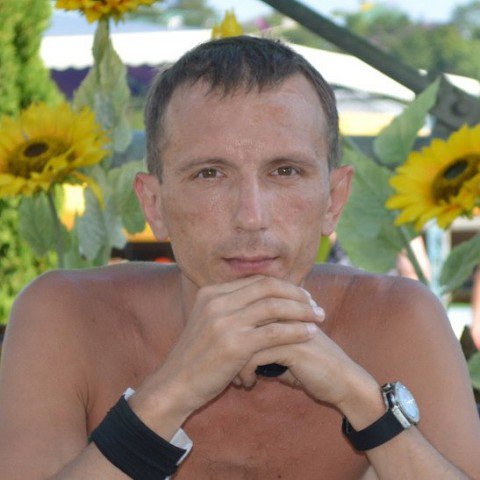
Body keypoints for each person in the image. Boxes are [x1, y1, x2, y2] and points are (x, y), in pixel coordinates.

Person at [0, 36, 479, 480]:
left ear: (334, 199)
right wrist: (172, 392)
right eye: (210, 174)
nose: (251, 217)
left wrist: (360, 399)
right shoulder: (67, 317)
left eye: (285, 171)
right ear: (154, 205)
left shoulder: (396, 319)